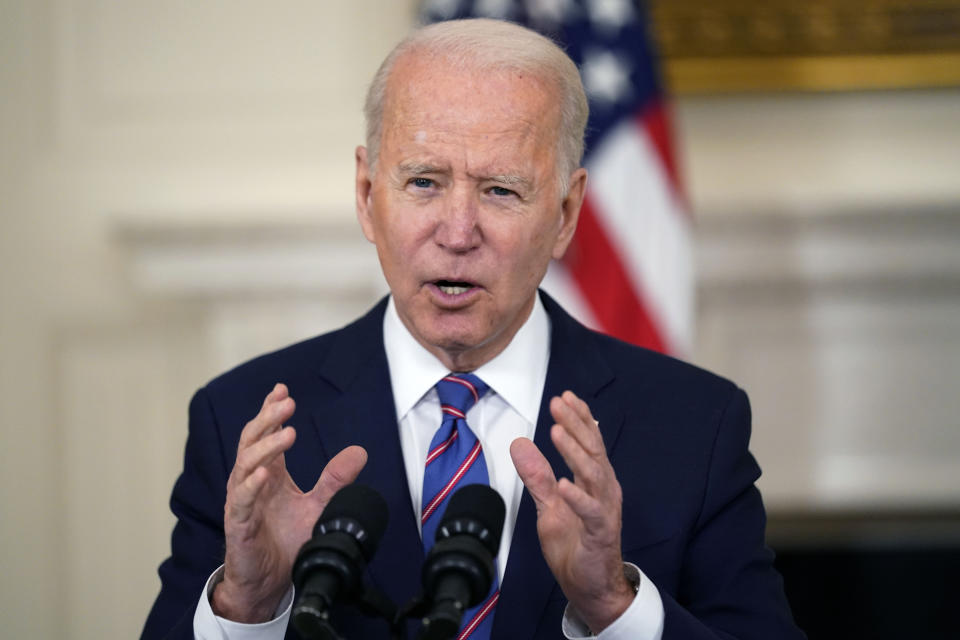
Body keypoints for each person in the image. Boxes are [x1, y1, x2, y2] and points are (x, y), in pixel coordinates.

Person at [142, 18, 804, 640]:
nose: (457, 234)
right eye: (424, 182)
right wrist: (246, 607)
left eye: (501, 191)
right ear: (367, 193)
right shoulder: (242, 425)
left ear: (567, 212)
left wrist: (614, 608)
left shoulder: (694, 424)